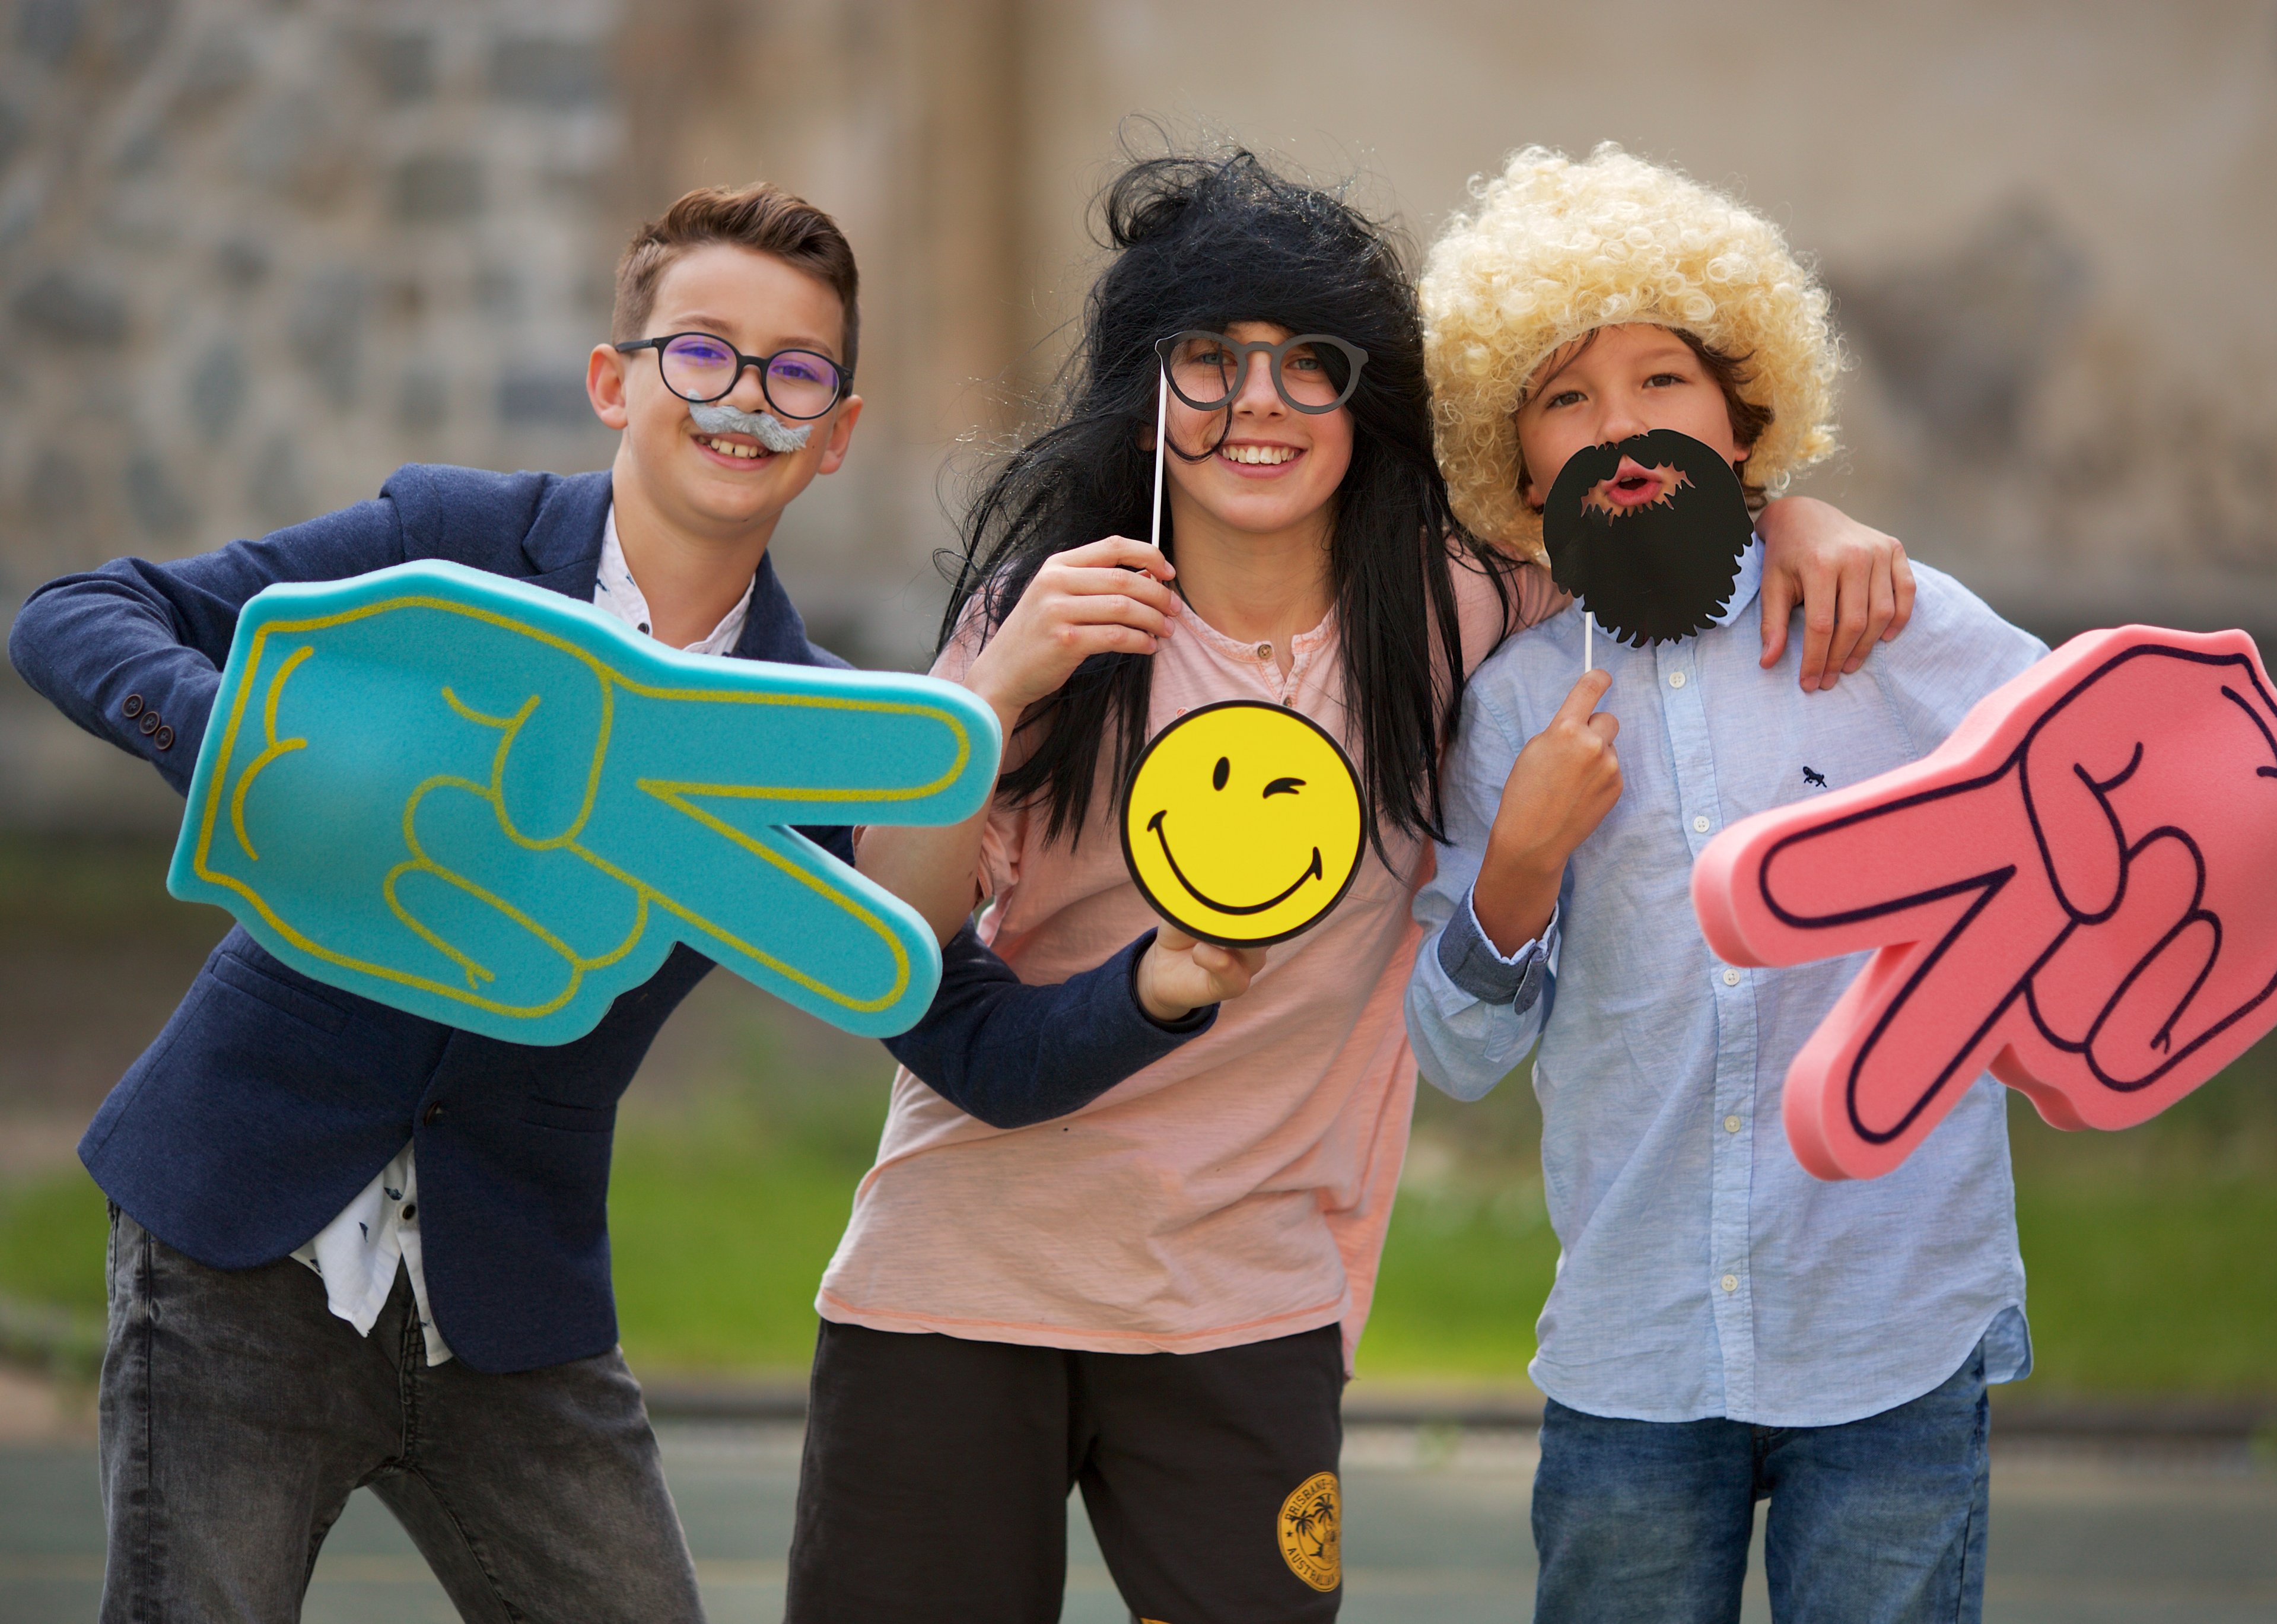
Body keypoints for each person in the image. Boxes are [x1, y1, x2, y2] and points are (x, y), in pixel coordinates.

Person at [7, 178, 1249, 1624]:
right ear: (614, 380)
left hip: (511, 1304)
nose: (745, 399)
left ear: (838, 433)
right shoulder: (451, 544)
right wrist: (260, 753)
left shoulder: (812, 733)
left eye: (796, 373)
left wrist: (1158, 986)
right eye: (702, 352)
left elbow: (954, 1025)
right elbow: (76, 614)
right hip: (234, 1234)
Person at [791, 148, 1916, 1624]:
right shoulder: (1051, 616)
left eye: (1306, 363)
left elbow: (1646, 507)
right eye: (1209, 359)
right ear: (1146, 392)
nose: (1256, 403)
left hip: (1250, 1303)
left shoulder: (1460, 607)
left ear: (1363, 395)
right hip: (952, 1282)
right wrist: (992, 692)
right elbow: (894, 931)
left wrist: (1789, 516)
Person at [1406, 144, 2046, 1623]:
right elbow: (1453, 1050)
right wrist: (1519, 864)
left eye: (1662, 379)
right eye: (1564, 397)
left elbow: (2092, 782)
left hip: (1892, 1322)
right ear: (1516, 467)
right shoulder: (1510, 708)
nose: (1619, 424)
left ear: (1744, 415)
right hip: (1635, 1350)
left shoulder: (1885, 618)